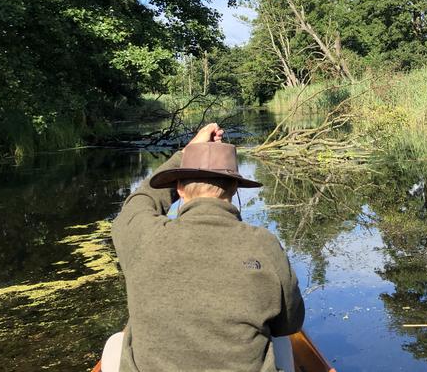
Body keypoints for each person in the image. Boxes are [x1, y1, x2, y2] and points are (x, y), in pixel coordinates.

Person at [105, 123, 305, 372]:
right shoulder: (264, 244)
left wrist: (187, 152)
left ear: (178, 189)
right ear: (234, 188)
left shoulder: (144, 236)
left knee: (115, 343)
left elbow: (139, 202)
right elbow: (290, 323)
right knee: (282, 341)